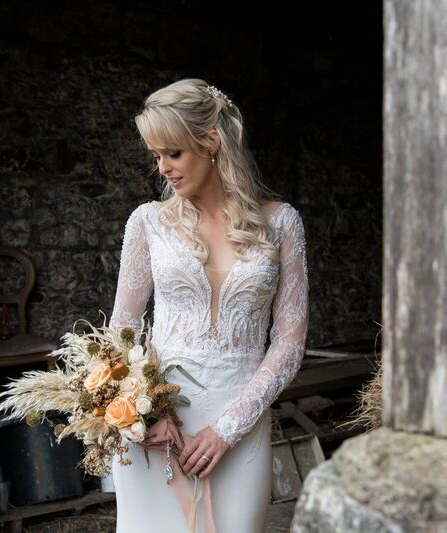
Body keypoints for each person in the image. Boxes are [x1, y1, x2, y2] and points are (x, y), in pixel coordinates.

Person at [108, 78, 310, 533]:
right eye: (155, 156)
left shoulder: (282, 224)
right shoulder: (148, 222)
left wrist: (227, 430)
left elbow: (290, 343)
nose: (162, 168)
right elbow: (122, 328)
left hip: (239, 423)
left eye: (172, 153)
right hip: (159, 427)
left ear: (211, 142)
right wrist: (143, 413)